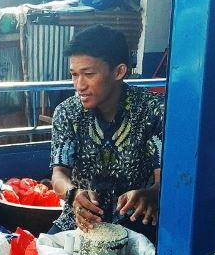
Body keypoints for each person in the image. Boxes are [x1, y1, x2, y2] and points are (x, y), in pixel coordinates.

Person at [50, 25, 165, 241]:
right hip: (81, 219)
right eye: (74, 75)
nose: (79, 85)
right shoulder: (67, 112)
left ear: (119, 72)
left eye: (88, 74)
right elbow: (59, 175)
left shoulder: (153, 110)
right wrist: (73, 195)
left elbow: (163, 181)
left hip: (135, 222)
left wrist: (151, 194)